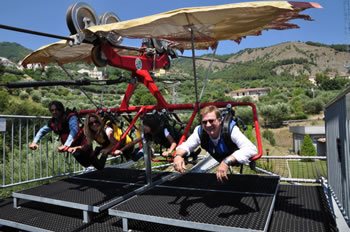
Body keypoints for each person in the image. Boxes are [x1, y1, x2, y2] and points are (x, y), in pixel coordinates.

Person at [173, 105, 257, 182]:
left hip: (233, 157)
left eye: (211, 121)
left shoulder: (230, 130)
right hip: (219, 155)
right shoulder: (200, 131)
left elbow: (251, 149)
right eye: (204, 122)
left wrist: (226, 162)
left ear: (220, 120)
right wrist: (178, 156)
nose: (208, 125)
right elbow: (187, 145)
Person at [69, 113, 143, 170]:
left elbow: (114, 142)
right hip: (110, 145)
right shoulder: (92, 133)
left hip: (124, 145)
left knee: (133, 158)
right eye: (91, 123)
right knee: (97, 151)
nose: (94, 124)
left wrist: (106, 150)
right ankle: (92, 163)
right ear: (88, 126)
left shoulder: (107, 130)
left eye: (96, 122)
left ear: (99, 121)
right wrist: (77, 147)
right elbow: (87, 144)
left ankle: (142, 151)